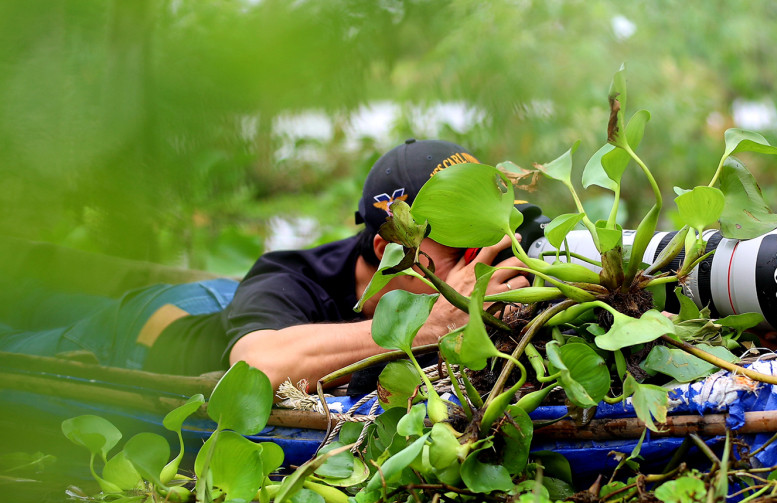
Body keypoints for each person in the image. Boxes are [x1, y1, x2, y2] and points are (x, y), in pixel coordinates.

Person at [0, 139, 528, 389]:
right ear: (388, 251)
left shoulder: (485, 255)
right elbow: (255, 366)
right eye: (458, 251)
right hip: (140, 334)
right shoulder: (290, 275)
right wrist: (432, 325)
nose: (476, 264)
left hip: (226, 301)